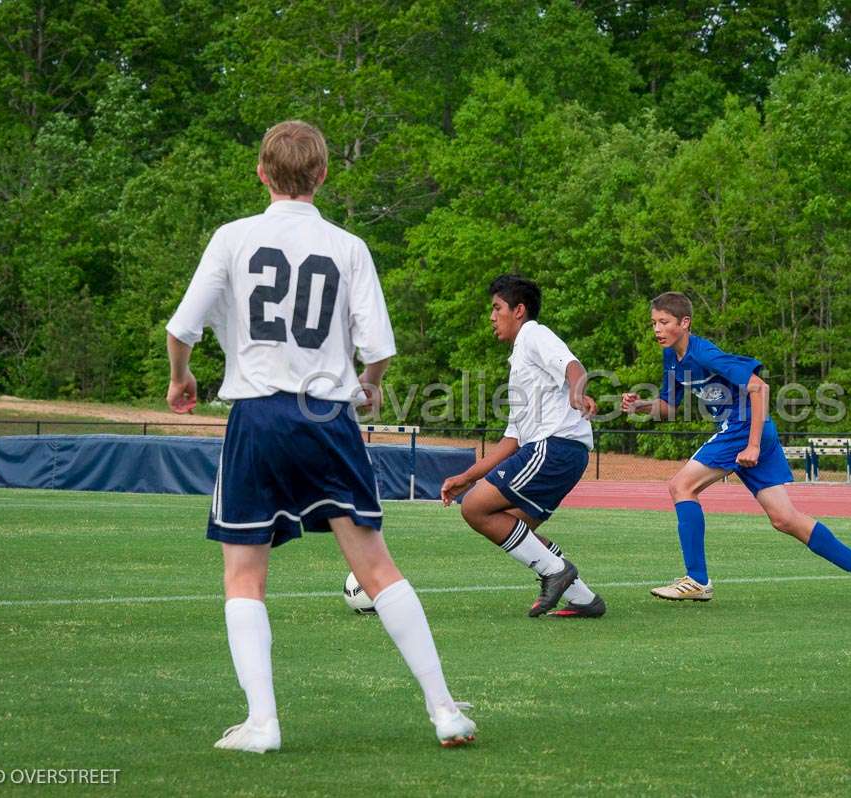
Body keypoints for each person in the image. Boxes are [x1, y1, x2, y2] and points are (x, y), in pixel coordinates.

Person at [165, 120, 476, 753]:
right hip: (327, 417)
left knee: (244, 576)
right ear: (323, 175)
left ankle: (263, 723)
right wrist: (370, 385)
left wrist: (181, 378)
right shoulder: (348, 245)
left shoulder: (231, 237)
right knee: (377, 567)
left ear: (260, 172)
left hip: (255, 415)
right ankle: (444, 708)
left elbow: (183, 328)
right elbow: (380, 347)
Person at [621, 292, 851, 608]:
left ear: (685, 323)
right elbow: (669, 408)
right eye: (654, 323)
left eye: (664, 322)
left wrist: (753, 445)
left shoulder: (705, 354)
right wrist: (641, 407)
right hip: (749, 433)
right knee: (784, 519)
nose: (657, 329)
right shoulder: (671, 359)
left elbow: (759, 387)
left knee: (681, 486)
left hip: (743, 430)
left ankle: (697, 580)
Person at [440, 275, 606, 619]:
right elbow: (512, 440)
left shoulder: (534, 334)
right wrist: (467, 476)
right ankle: (583, 598)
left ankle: (555, 572)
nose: (491, 316)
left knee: (474, 509)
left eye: (496, 308)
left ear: (518, 310)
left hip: (555, 447)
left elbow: (573, 366)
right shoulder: (520, 361)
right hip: (561, 452)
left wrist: (577, 393)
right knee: (515, 527)